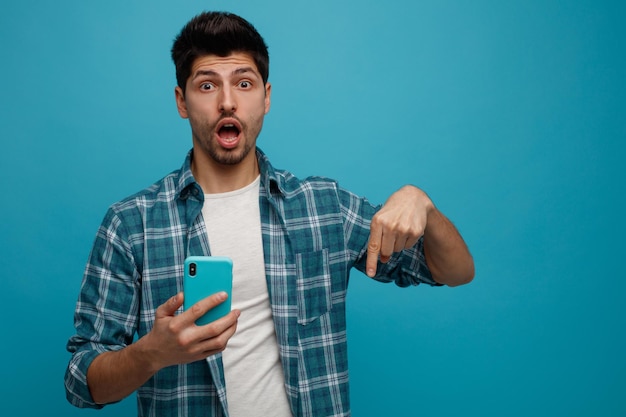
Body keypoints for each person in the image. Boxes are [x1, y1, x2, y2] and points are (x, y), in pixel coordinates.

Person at [65, 11, 474, 417]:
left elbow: (455, 272)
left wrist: (424, 205)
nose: (227, 101)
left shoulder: (322, 207)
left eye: (244, 84)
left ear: (266, 97)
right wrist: (149, 355)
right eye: (207, 85)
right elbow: (81, 382)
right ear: (181, 102)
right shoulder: (131, 224)